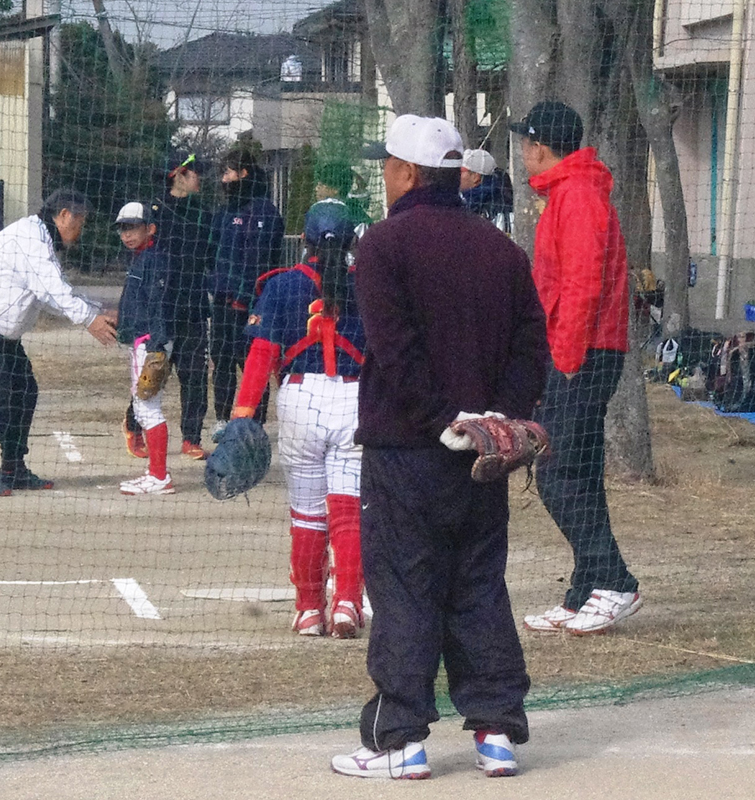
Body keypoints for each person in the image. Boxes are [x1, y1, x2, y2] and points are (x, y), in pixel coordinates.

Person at [330, 115, 548, 780]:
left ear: (404, 173)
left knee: (403, 588)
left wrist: (444, 421)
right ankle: (495, 735)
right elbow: (531, 349)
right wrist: (498, 421)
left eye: (387, 165)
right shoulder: (503, 251)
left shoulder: (384, 246)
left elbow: (397, 354)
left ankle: (402, 741)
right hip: (484, 455)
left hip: (407, 449)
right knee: (479, 585)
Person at [511, 100, 642, 636]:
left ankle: (616, 582)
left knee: (558, 473)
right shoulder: (568, 192)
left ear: (540, 146)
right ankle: (586, 589)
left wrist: (563, 359)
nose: (521, 152)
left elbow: (583, 285)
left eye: (525, 142)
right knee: (580, 473)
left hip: (583, 355)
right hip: (578, 352)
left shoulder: (579, 196)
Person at [230, 201, 366, 639]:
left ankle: (309, 610)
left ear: (304, 240)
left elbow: (260, 357)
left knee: (308, 515)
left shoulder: (281, 285)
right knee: (348, 514)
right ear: (351, 241)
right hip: (354, 399)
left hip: (300, 401)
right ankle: (347, 603)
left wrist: (243, 415)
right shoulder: (369, 286)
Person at [0, 189, 117, 496]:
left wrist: (97, 310)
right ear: (64, 216)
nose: (82, 229)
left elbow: (54, 292)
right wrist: (89, 321)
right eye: (81, 221)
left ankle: (12, 468)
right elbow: (52, 291)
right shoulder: (30, 238)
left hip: (0, 334)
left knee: (24, 392)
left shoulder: (42, 240)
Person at [121, 153, 213, 462]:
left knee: (195, 374)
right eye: (196, 173)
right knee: (154, 372)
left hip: (194, 303)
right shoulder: (155, 211)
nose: (200, 179)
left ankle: (191, 437)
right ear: (180, 174)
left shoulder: (202, 212)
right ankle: (133, 424)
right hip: (162, 307)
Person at [208, 145, 284, 442]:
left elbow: (270, 258)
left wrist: (259, 297)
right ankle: (222, 419)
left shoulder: (268, 213)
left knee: (254, 361)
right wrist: (215, 284)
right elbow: (212, 253)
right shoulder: (223, 213)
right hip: (225, 303)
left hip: (255, 305)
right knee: (222, 361)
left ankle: (256, 422)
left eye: (227, 172)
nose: (224, 180)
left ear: (243, 173)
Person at [113, 202, 176, 496]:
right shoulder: (142, 258)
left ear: (150, 229)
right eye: (123, 229)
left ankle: (159, 476)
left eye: (132, 228)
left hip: (150, 344)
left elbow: (159, 303)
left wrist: (158, 346)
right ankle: (156, 474)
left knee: (147, 407)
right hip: (143, 342)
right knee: (144, 406)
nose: (126, 234)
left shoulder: (154, 259)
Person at [460, 148, 514, 232]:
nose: (456, 174)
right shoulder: (465, 201)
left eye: (461, 171)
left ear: (475, 176)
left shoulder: (496, 210)